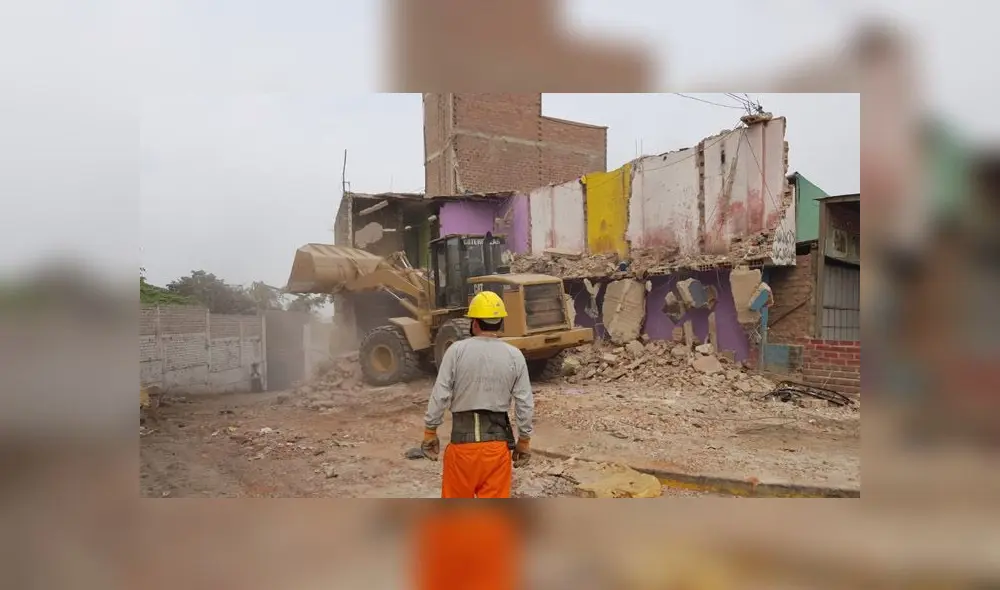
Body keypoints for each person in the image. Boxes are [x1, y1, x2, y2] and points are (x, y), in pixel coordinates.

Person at [420, 290, 533, 498]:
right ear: (500, 323)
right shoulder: (514, 355)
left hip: (462, 449)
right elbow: (524, 402)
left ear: (475, 323)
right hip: (497, 451)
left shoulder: (456, 351)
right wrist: (524, 440)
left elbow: (440, 393)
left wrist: (430, 432)